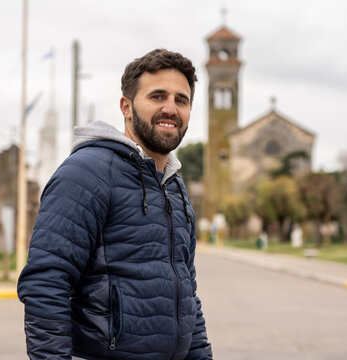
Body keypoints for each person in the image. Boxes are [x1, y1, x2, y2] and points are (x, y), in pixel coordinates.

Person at [17, 49, 213, 360]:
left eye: (181, 100)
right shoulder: (86, 173)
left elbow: (186, 292)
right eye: (157, 96)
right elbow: (46, 283)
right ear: (127, 106)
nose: (170, 109)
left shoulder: (175, 186)